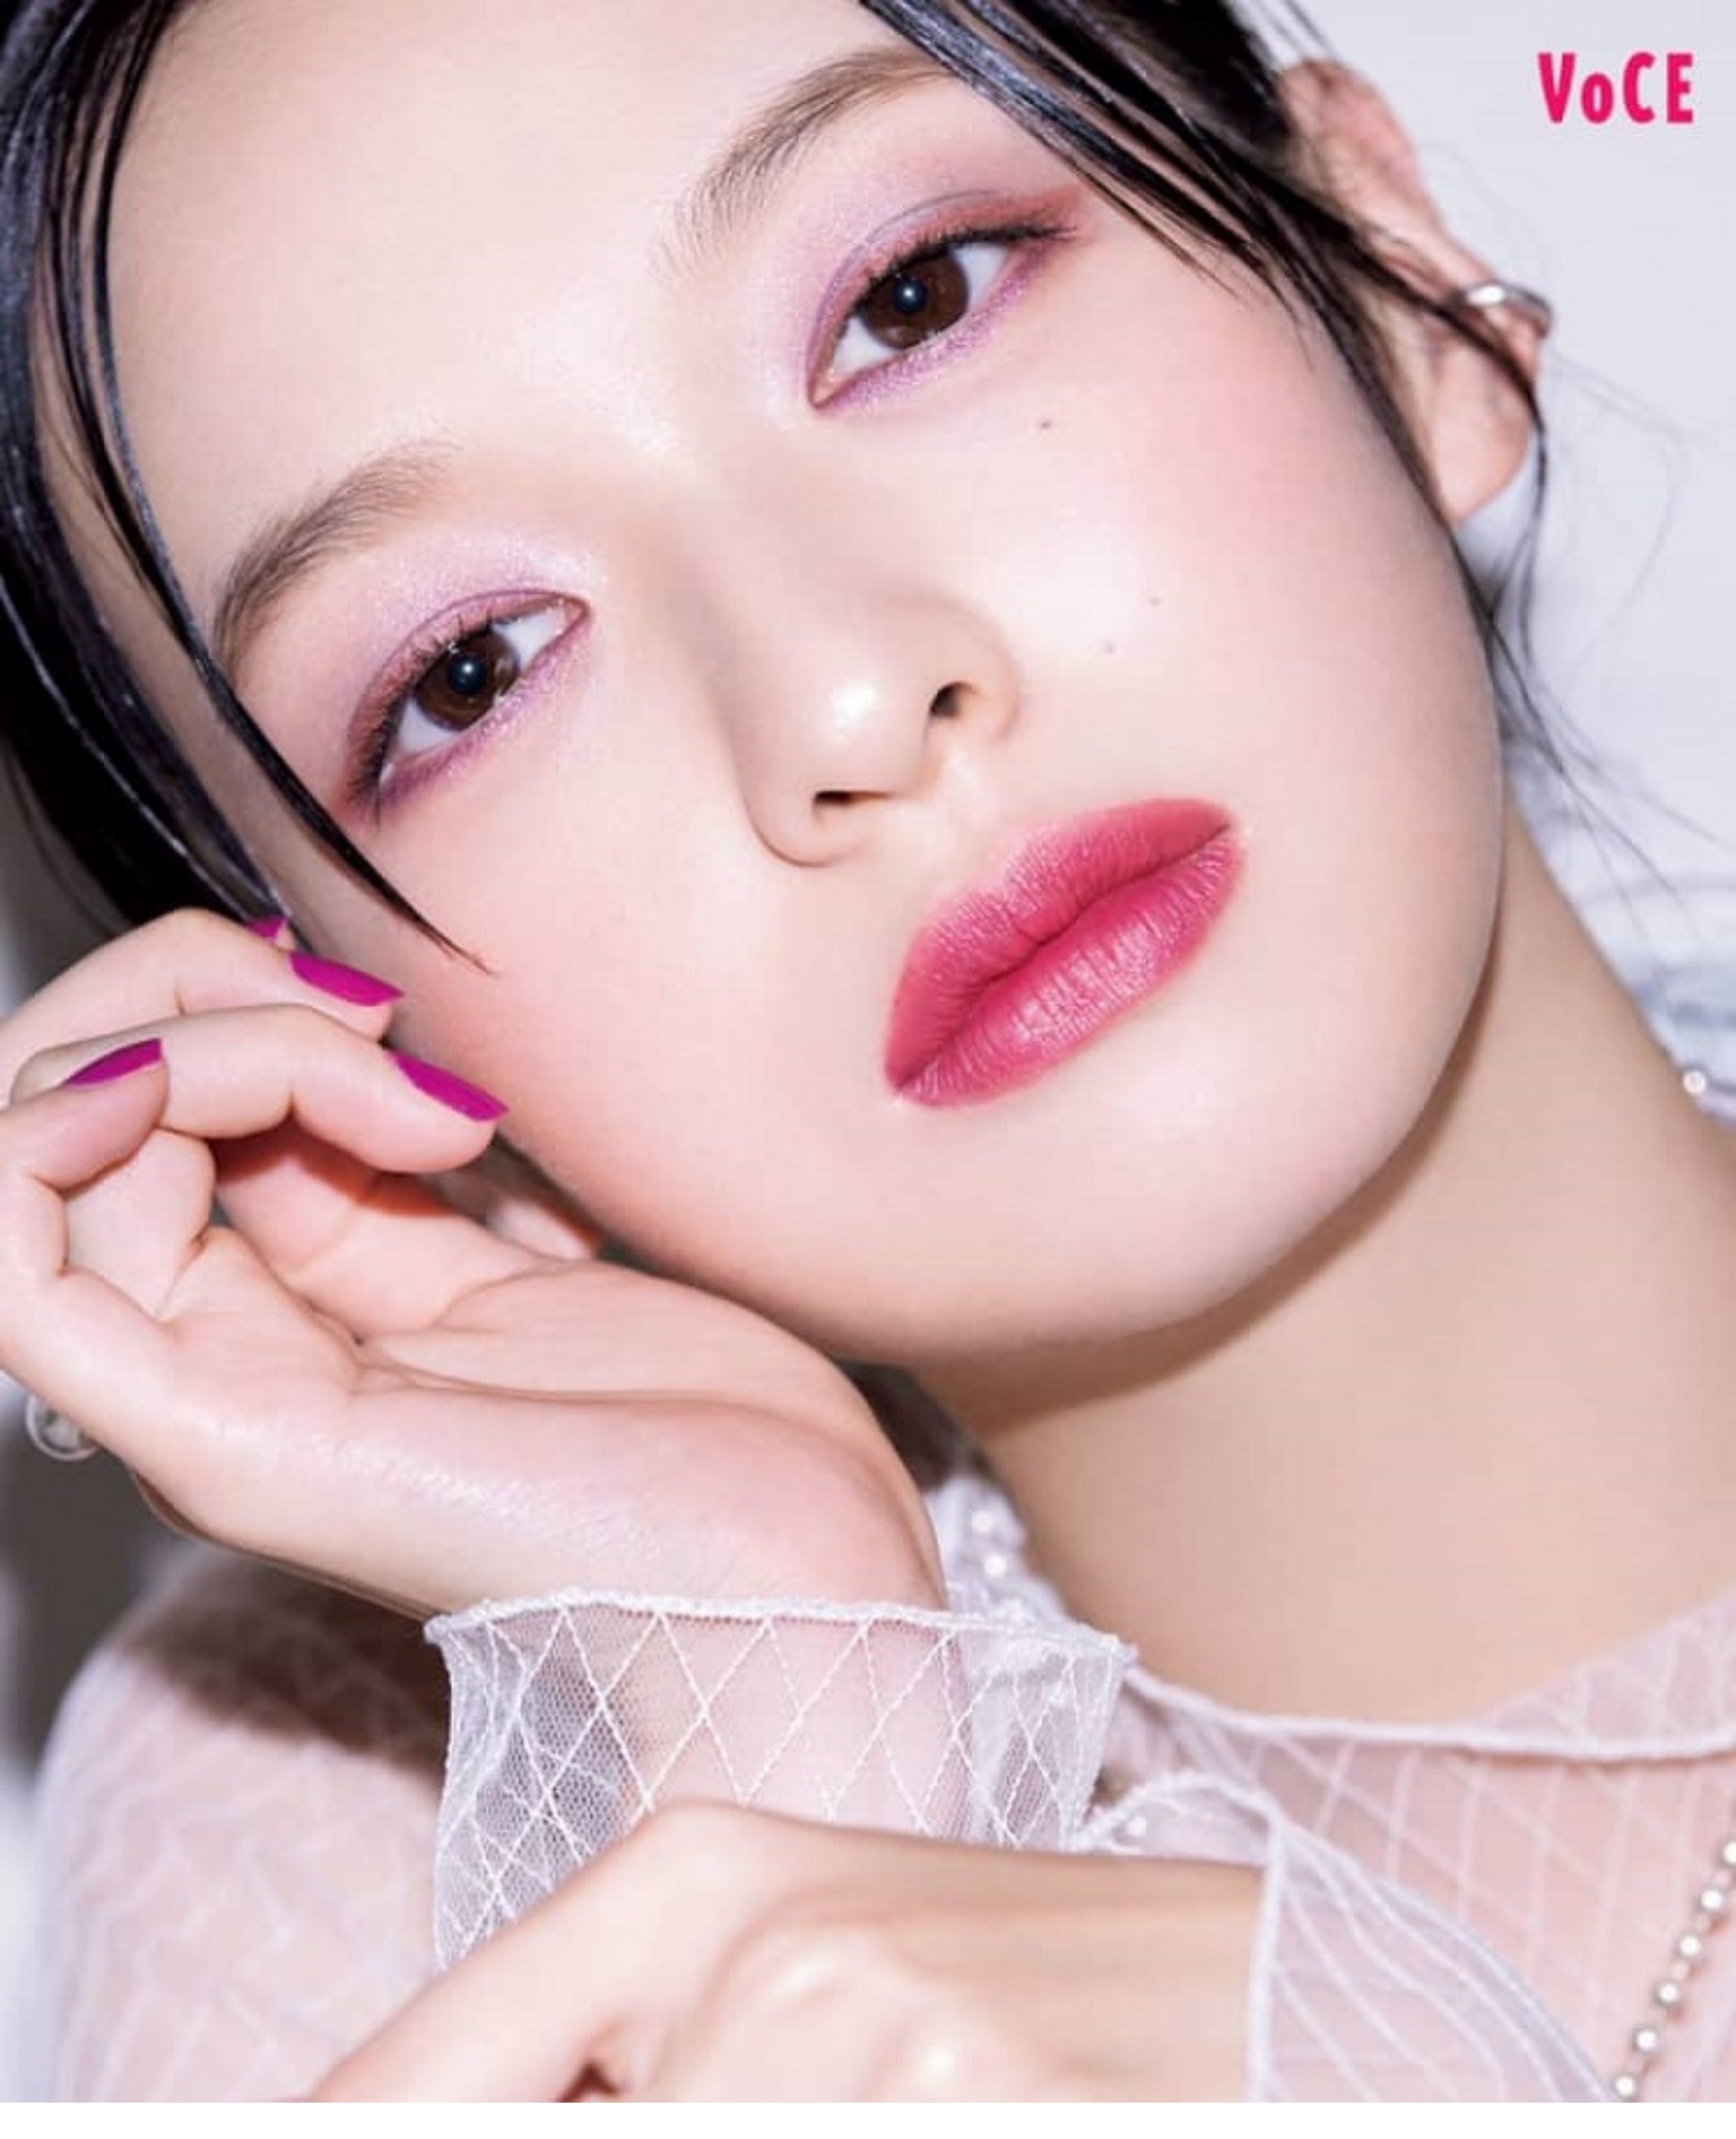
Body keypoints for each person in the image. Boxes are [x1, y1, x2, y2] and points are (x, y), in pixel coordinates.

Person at [0, 0, 1732, 2101]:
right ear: (336, 1029)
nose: (840, 700)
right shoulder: (321, 1819)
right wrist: (777, 1720)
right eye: (471, 674)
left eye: (913, 299)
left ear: (1394, 274)